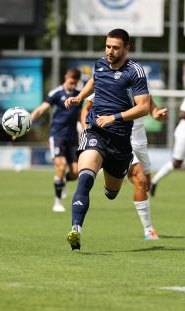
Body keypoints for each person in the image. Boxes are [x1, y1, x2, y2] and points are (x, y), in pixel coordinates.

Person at [64, 28, 151, 250]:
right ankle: (76, 230)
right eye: (107, 46)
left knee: (112, 192)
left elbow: (144, 107)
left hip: (120, 140)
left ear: (126, 48)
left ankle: (110, 185)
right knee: (85, 177)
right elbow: (94, 80)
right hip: (95, 131)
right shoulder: (100, 63)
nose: (110, 52)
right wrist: (79, 97)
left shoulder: (135, 71)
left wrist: (114, 117)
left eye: (115, 48)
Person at [82, 93, 167, 240]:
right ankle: (149, 230)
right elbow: (86, 108)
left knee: (145, 184)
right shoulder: (108, 82)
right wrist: (87, 130)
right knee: (139, 178)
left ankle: (110, 179)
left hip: (140, 143)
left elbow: (151, 109)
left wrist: (158, 115)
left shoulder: (142, 86)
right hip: (120, 140)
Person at [31, 68, 82, 212]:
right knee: (61, 165)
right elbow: (41, 110)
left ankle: (63, 180)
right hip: (57, 136)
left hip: (73, 138)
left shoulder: (79, 96)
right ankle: (57, 202)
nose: (72, 85)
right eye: (71, 82)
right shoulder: (56, 93)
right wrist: (27, 123)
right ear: (66, 77)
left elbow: (80, 115)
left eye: (75, 83)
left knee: (76, 172)